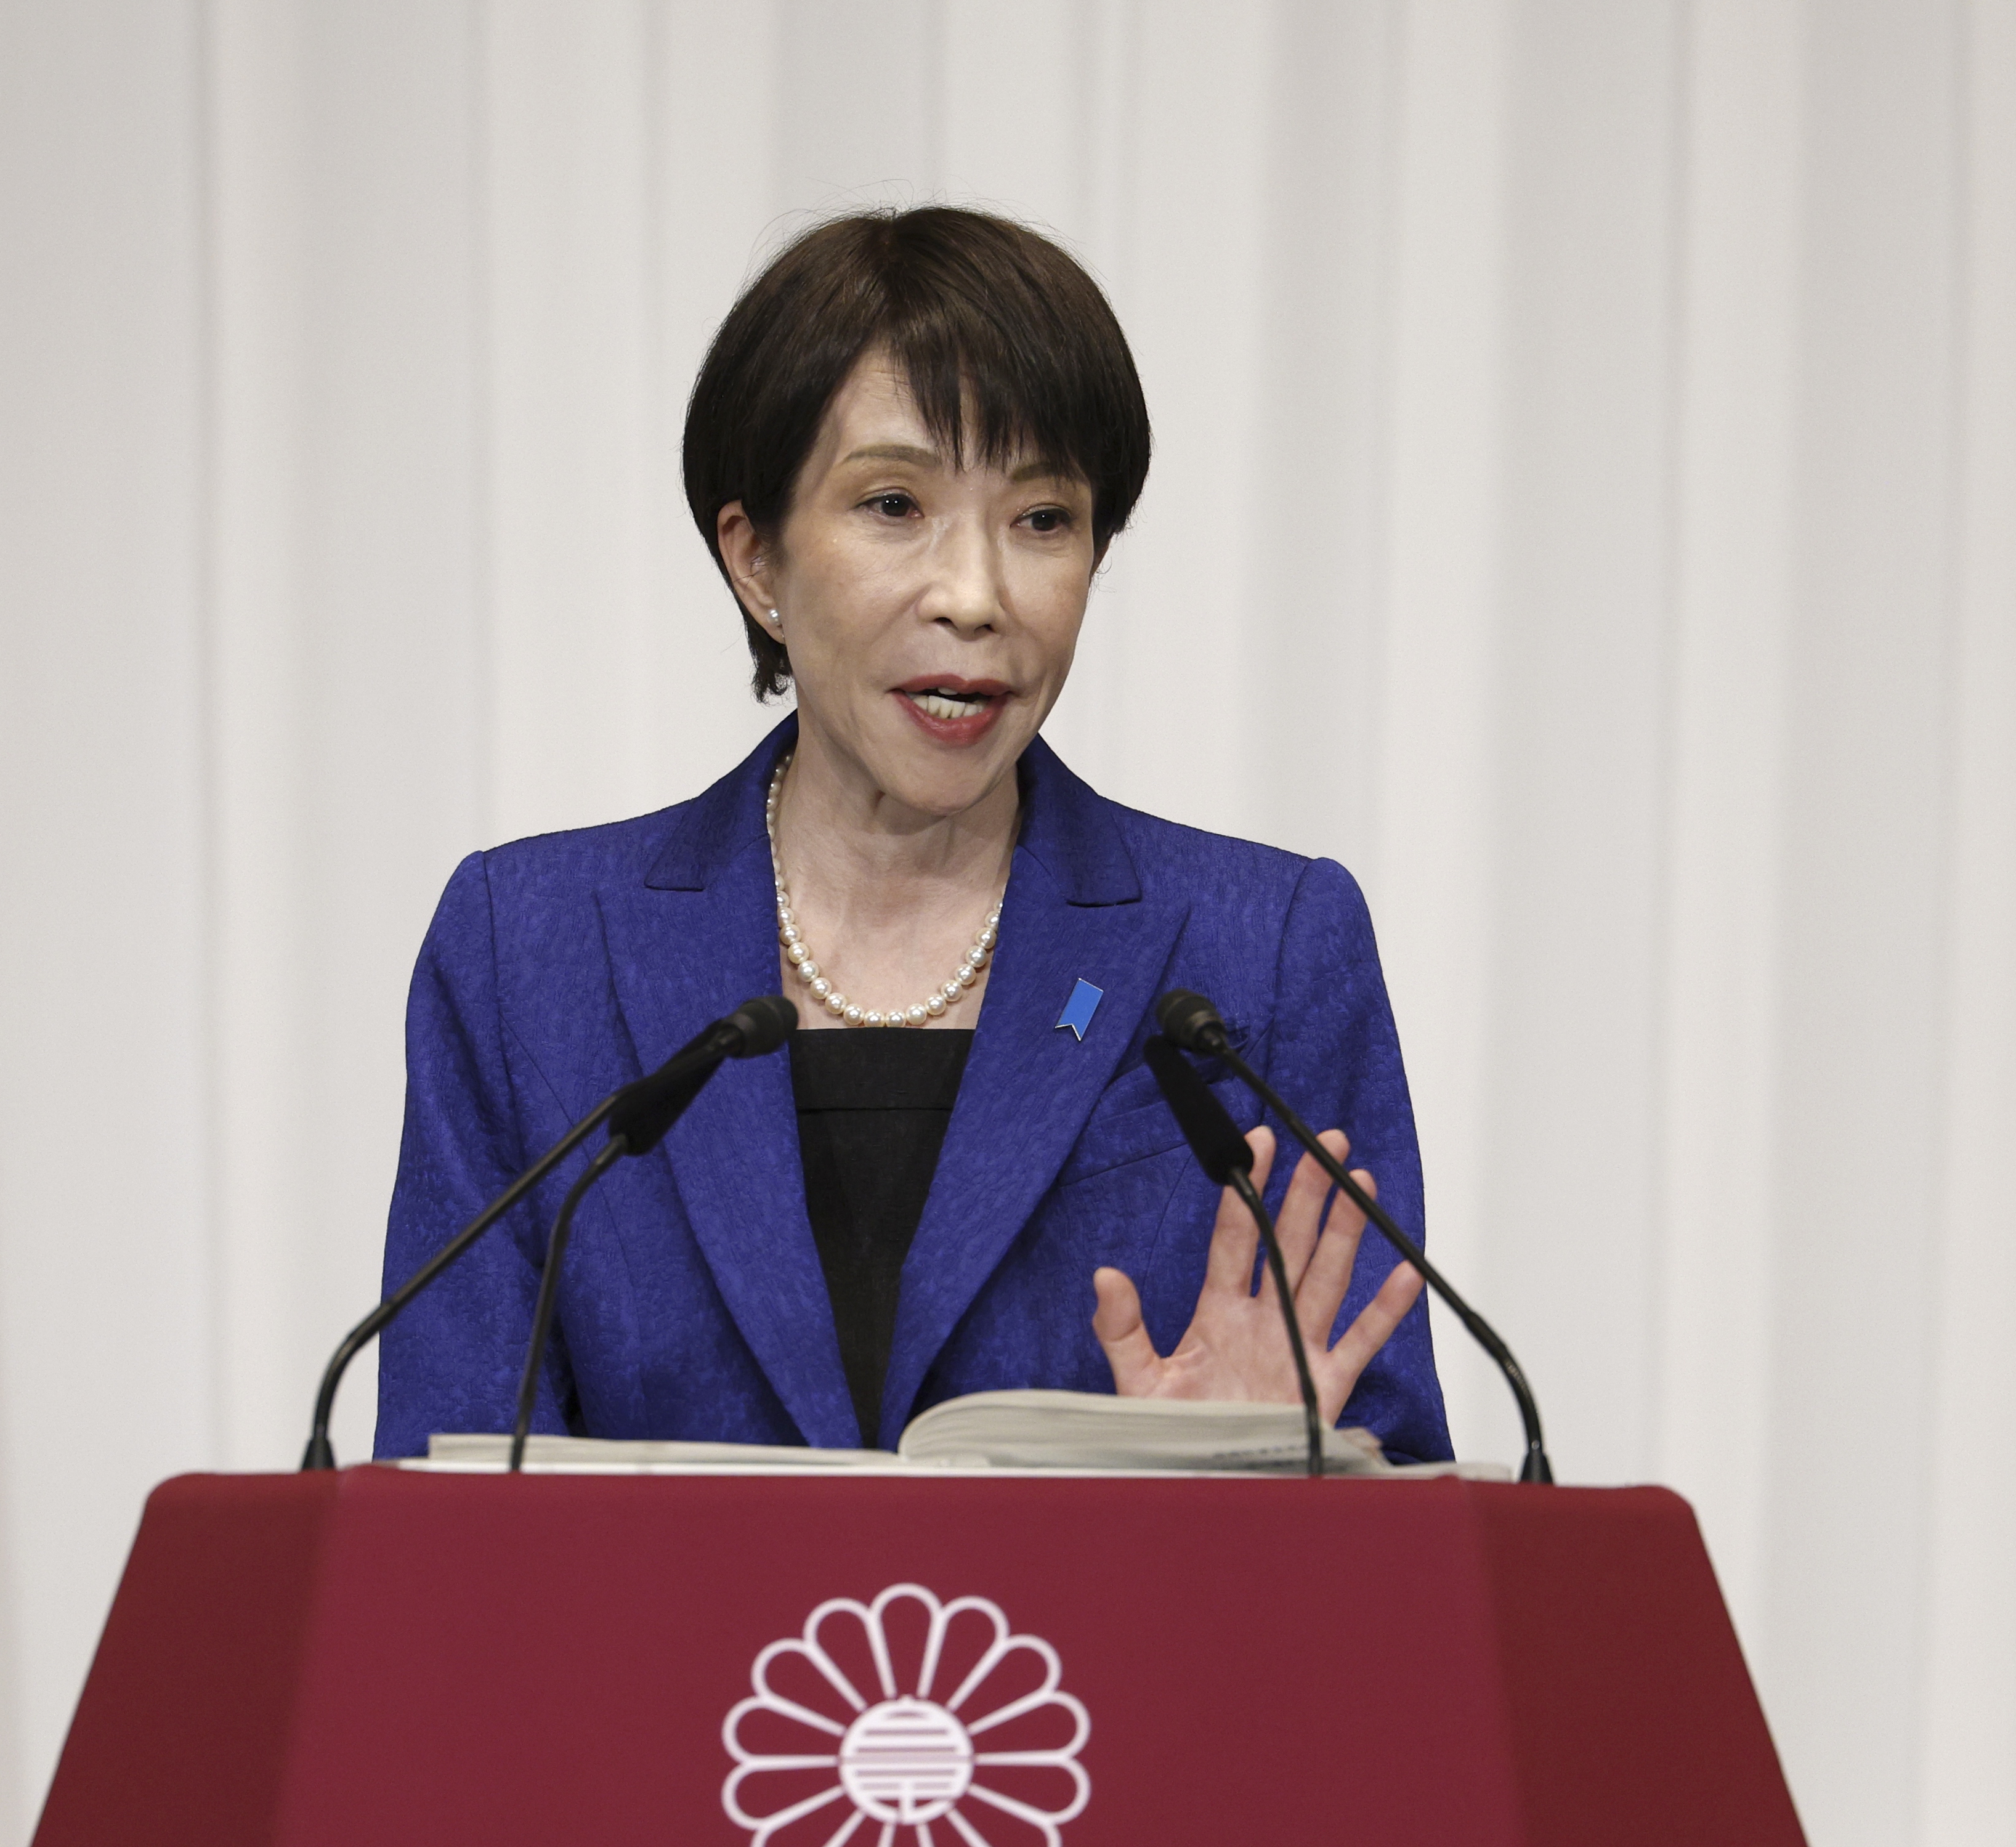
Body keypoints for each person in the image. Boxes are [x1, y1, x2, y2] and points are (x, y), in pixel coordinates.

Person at [376, 207, 1444, 1464]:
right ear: (756, 558)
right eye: (895, 504)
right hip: (655, 1666)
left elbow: (1398, 1525)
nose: (977, 596)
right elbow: (435, 1514)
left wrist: (1250, 1477)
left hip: (1098, 1663)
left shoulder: (1259, 951)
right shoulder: (527, 952)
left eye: (1043, 519)